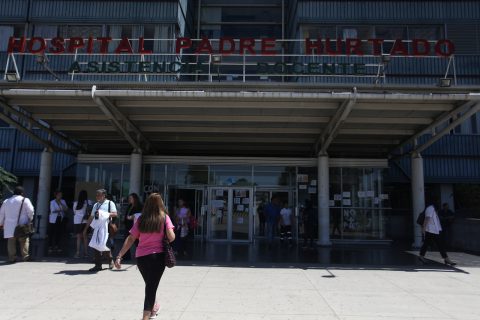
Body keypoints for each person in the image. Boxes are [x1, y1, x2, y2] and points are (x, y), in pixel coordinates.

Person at [115, 193, 175, 320]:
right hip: (157, 258)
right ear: (160, 204)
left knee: (150, 284)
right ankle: (145, 317)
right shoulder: (164, 218)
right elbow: (171, 237)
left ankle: (154, 308)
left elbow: (131, 238)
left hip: (141, 258)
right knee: (151, 288)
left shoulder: (141, 219)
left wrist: (119, 255)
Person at [83, 189, 118, 272]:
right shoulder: (96, 205)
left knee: (103, 244)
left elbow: (115, 213)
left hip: (106, 228)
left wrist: (104, 214)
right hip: (97, 228)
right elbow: (91, 217)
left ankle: (110, 260)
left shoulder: (110, 203)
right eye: (96, 195)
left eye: (99, 195)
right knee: (96, 245)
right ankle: (98, 265)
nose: (97, 197)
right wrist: (86, 228)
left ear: (104, 195)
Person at [0, 186, 35, 263]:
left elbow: (1, 214)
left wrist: (1, 223)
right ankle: (25, 257)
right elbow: (31, 210)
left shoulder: (6, 201)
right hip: (21, 225)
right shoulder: (25, 200)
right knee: (24, 241)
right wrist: (30, 218)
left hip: (9, 226)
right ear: (22, 193)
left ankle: (12, 258)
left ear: (14, 193)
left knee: (11, 241)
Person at [48, 190, 69, 254]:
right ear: (56, 195)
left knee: (59, 232)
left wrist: (61, 204)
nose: (60, 196)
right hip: (53, 219)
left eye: (61, 195)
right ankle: (50, 246)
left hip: (60, 218)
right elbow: (52, 210)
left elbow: (66, 209)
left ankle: (57, 245)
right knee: (52, 232)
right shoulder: (52, 202)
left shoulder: (63, 201)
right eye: (59, 195)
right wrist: (60, 210)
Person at [73, 190, 92, 258]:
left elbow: (74, 212)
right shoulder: (88, 202)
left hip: (77, 221)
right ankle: (85, 253)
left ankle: (77, 253)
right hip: (85, 221)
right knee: (85, 237)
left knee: (78, 237)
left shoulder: (76, 203)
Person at [123, 193, 142, 260]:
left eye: (131, 198)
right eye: (129, 198)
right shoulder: (130, 205)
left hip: (134, 226)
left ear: (135, 198)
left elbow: (140, 215)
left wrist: (132, 216)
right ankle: (126, 256)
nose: (129, 199)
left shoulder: (139, 206)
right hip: (128, 226)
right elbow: (127, 214)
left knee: (137, 242)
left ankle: (140, 255)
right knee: (126, 240)